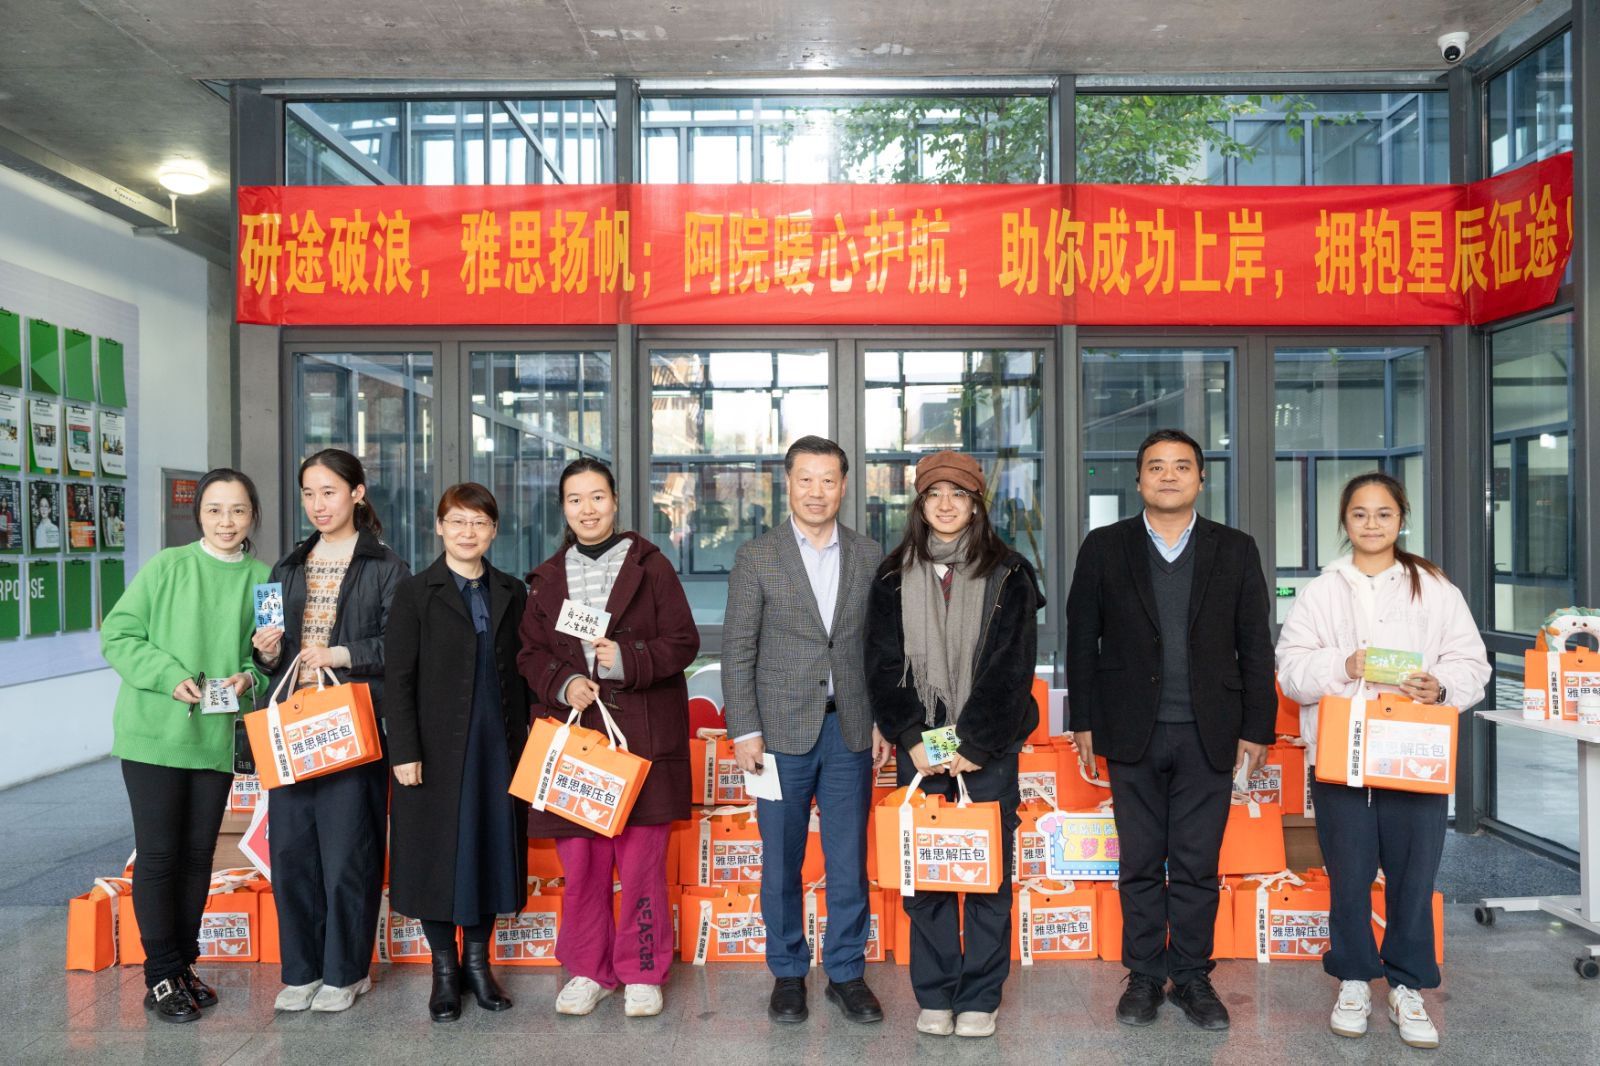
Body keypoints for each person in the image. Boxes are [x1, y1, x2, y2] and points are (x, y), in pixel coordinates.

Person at [1065, 428, 1275, 1031]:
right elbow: (1081, 638)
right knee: (1138, 860)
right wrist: (1082, 719)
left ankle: (1191, 977)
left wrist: (1258, 726)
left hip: (1211, 729)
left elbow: (1255, 644)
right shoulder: (1105, 546)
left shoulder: (1234, 548)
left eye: (1182, 466)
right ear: (1138, 480)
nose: (1168, 476)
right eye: (1155, 466)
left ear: (1201, 479)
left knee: (1195, 862)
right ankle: (1142, 976)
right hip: (1131, 727)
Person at [1275, 471, 1489, 1050]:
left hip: (1413, 755)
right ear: (1345, 523)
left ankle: (1407, 986)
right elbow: (1290, 672)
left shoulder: (1435, 589)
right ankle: (1352, 979)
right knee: (1347, 875)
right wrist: (1342, 666)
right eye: (1360, 514)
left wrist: (1440, 686)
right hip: (1342, 755)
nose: (1372, 524)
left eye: (1384, 513)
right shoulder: (1322, 592)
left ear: (1401, 520)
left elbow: (1473, 663)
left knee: (1413, 875)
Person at [865, 451, 1042, 1039]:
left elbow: (1013, 665)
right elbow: (882, 661)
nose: (946, 505)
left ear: (976, 505)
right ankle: (936, 994)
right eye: (934, 494)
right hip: (920, 752)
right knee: (927, 879)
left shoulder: (1009, 573)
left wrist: (977, 740)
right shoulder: (893, 575)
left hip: (986, 751)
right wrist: (911, 737)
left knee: (987, 879)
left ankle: (980, 998)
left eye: (958, 494)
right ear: (919, 506)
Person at [517, 458, 700, 1019]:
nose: (588, 509)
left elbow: (683, 642)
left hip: (641, 740)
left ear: (615, 501)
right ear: (564, 508)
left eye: (597, 497)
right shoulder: (546, 578)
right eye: (575, 499)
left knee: (641, 865)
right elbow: (529, 654)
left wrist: (626, 658)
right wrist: (564, 681)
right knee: (583, 867)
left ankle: (642, 970)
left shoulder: (652, 567)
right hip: (576, 742)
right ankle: (586, 970)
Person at [722, 435, 890, 1026]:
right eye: (805, 479)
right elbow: (737, 650)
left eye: (828, 480)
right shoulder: (757, 556)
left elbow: (881, 648)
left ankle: (846, 973)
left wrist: (881, 719)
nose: (817, 491)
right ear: (788, 484)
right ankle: (788, 972)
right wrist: (744, 728)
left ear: (844, 487)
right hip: (776, 737)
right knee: (781, 862)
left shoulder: (870, 554)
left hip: (849, 731)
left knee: (848, 862)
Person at [100, 469, 269, 1022]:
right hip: (153, 734)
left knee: (198, 857)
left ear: (253, 515)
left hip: (213, 737)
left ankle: (183, 966)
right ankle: (160, 976)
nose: (226, 521)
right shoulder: (167, 567)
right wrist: (169, 676)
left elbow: (268, 661)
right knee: (158, 855)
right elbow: (118, 634)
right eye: (215, 509)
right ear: (198, 513)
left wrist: (250, 676)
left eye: (238, 510)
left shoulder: (265, 580)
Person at [252, 449, 409, 1013]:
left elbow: (401, 646)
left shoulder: (386, 566)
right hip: (293, 727)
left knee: (348, 855)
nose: (318, 504)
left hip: (352, 725)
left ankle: (346, 972)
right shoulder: (287, 567)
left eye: (330, 492)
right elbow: (267, 652)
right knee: (291, 854)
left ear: (357, 494)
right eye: (309, 494)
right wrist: (265, 651)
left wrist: (340, 653)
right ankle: (302, 971)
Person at [385, 483, 529, 1023]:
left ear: (494, 530)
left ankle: (477, 965)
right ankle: (444, 971)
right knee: (435, 855)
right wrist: (404, 749)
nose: (469, 532)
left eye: (480, 522)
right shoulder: (415, 592)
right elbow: (398, 678)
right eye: (458, 521)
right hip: (433, 750)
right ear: (439, 527)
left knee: (491, 851)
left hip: (500, 746)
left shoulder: (512, 590)